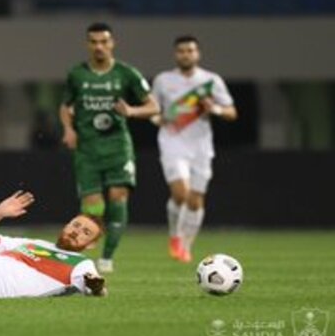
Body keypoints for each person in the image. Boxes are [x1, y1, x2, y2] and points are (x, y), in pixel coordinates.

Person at [59, 22, 159, 273]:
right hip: (87, 148)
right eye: (94, 42)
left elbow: (154, 107)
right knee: (93, 207)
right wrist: (69, 130)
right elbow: (65, 105)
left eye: (104, 41)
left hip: (117, 147)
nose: (99, 46)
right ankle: (80, 258)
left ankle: (107, 257)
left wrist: (133, 111)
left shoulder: (126, 73)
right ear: (87, 44)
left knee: (118, 196)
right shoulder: (77, 75)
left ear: (112, 43)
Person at [151, 35, 237, 263]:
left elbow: (231, 112)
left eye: (190, 50)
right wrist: (157, 119)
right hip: (172, 141)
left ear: (197, 54)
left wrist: (215, 109)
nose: (186, 54)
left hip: (200, 145)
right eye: (181, 51)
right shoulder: (163, 80)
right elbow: (151, 109)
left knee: (196, 200)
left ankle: (186, 245)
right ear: (175, 54)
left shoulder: (211, 80)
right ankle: (175, 236)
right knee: (181, 193)